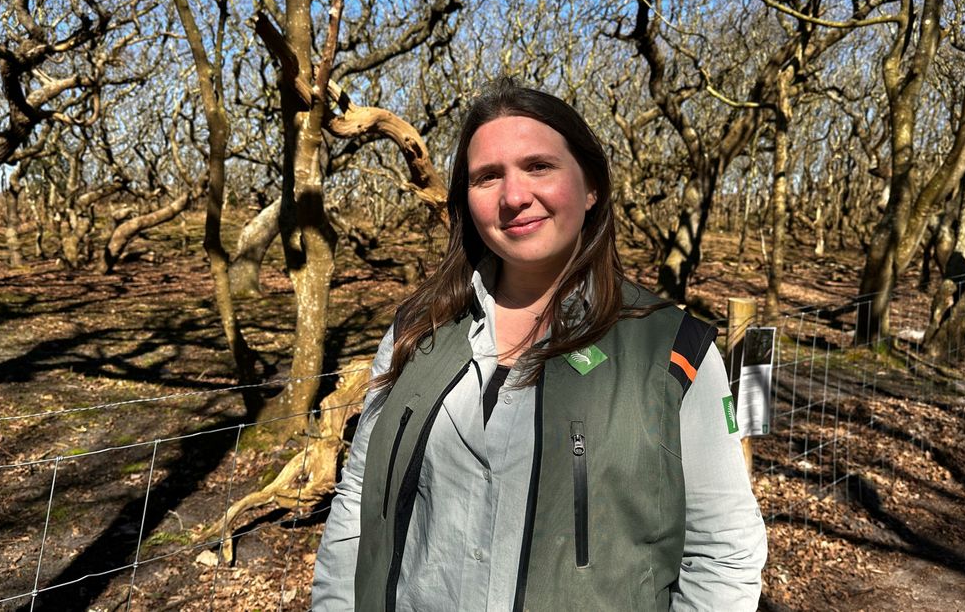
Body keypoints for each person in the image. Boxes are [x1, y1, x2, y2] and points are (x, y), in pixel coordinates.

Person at [312, 78, 766, 611]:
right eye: (487, 177)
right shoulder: (417, 330)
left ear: (591, 186)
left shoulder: (672, 351)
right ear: (466, 202)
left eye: (539, 167)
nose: (513, 196)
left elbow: (723, 555)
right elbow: (358, 501)